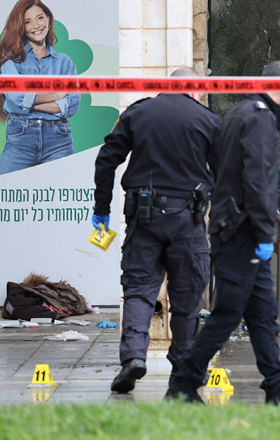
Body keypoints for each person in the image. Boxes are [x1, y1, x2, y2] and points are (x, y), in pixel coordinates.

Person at [165, 61, 280, 406]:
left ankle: (278, 387)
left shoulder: (246, 112)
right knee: (228, 313)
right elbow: (257, 181)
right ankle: (183, 383)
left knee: (261, 315)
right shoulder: (258, 118)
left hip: (236, 229)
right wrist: (264, 233)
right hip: (241, 234)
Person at [92, 67, 221, 394]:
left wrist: (102, 210)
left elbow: (107, 159)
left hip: (143, 217)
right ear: (196, 91)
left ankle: (133, 357)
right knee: (187, 294)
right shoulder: (207, 120)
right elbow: (226, 174)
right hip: (188, 220)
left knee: (138, 289)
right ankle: (183, 363)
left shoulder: (138, 112)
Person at [0, 0, 81, 175]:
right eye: (27, 22)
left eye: (40, 17)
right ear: (21, 27)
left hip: (59, 141)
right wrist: (56, 95)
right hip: (20, 140)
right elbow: (16, 97)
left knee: (63, 198)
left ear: (48, 18)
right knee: (0, 193)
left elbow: (72, 104)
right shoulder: (11, 59)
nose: (36, 26)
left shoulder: (65, 62)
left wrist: (29, 100)